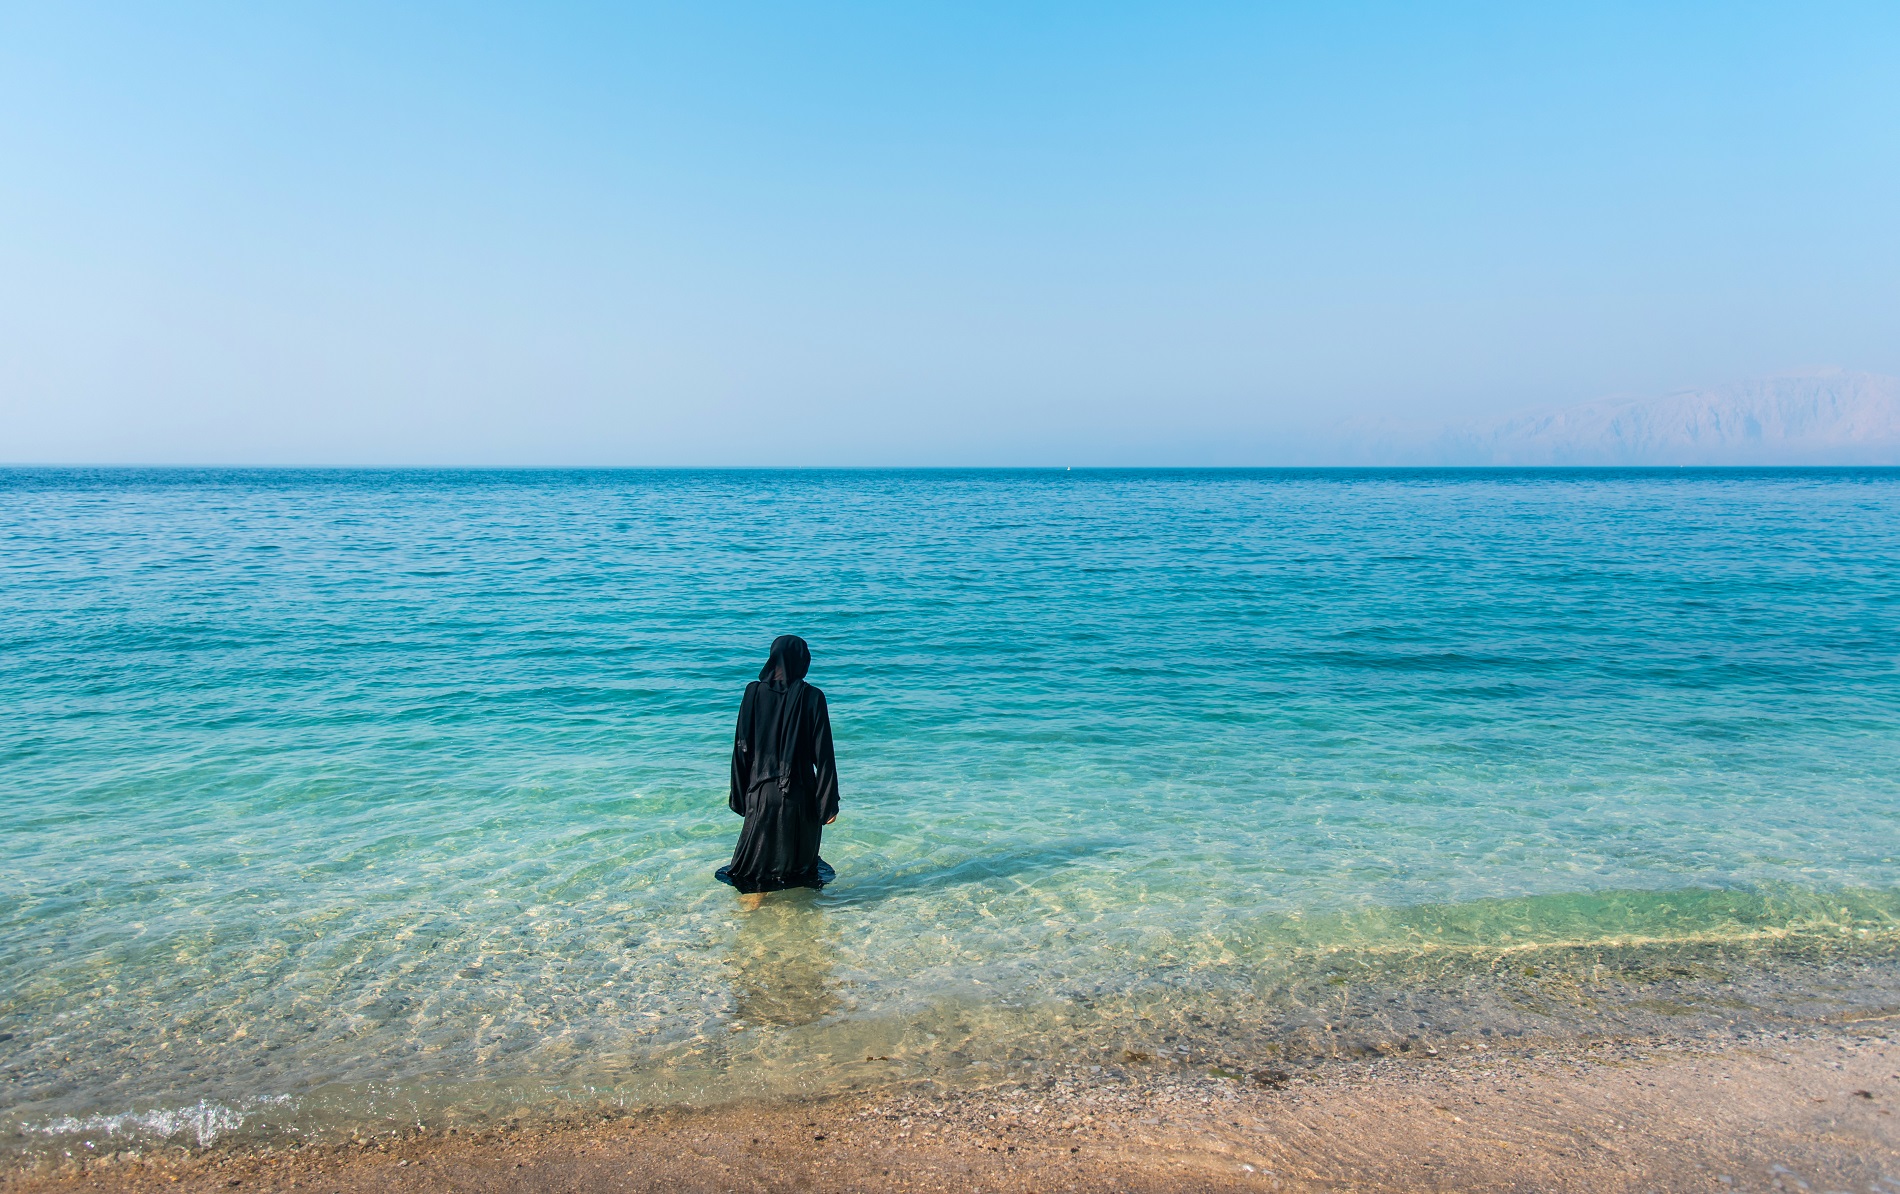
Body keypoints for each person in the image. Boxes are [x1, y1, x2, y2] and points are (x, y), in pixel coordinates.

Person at [716, 635, 839, 895]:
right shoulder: (813, 697)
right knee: (800, 873)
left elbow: (741, 748)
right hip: (800, 795)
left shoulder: (753, 692)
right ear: (803, 661)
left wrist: (739, 796)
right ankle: (797, 925)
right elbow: (824, 755)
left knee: (755, 874)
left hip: (760, 794)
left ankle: (751, 917)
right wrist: (828, 804)